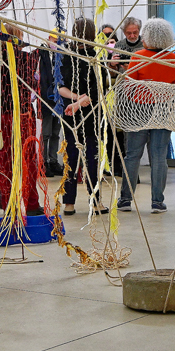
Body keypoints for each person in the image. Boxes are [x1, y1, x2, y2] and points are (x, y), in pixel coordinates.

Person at [118, 18, 175, 213]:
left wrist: (143, 94)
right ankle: (157, 201)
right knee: (159, 157)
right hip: (163, 111)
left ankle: (125, 200)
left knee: (132, 156)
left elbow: (129, 87)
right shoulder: (173, 59)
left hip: (139, 111)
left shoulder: (138, 56)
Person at [0, 22, 43, 217]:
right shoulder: (26, 59)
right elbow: (31, 84)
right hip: (19, 114)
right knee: (27, 158)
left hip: (0, 115)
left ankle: (11, 204)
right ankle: (29, 203)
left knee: (7, 160)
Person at [58, 18, 110, 216]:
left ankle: (69, 204)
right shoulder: (95, 57)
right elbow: (99, 89)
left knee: (72, 156)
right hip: (87, 114)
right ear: (92, 34)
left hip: (72, 112)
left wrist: (75, 101)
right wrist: (79, 101)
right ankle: (95, 202)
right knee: (91, 158)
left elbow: (59, 87)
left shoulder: (65, 55)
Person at [37, 30, 63, 177]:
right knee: (46, 132)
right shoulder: (42, 53)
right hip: (46, 97)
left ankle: (53, 161)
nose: (57, 43)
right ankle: (43, 161)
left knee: (55, 132)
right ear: (49, 39)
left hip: (59, 99)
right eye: (55, 40)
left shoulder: (62, 54)